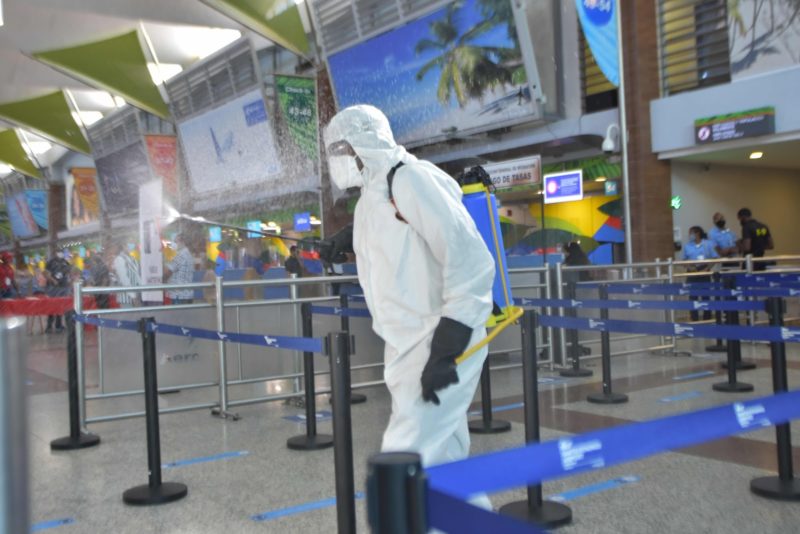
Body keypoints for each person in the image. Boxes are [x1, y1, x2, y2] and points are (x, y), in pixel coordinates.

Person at [322, 106, 495, 494]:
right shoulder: (372, 194)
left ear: (365, 141)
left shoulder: (411, 179)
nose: (336, 158)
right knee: (443, 466)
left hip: (438, 340)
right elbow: (388, 235)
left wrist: (448, 344)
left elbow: (470, 260)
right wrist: (343, 242)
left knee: (403, 461)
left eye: (340, 147)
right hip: (404, 345)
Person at [682, 226, 718, 321]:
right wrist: (689, 267)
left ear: (697, 233)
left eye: (691, 233)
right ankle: (694, 319)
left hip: (704, 272)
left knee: (705, 296)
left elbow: (715, 258)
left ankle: (707, 319)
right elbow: (683, 260)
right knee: (693, 297)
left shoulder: (708, 244)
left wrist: (707, 268)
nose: (689, 235)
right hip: (692, 273)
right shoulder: (687, 246)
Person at [44, 250, 72, 333]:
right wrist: (52, 280)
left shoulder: (65, 262)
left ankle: (58, 325)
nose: (60, 254)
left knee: (61, 306)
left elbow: (69, 272)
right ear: (55, 253)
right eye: (59, 252)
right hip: (53, 287)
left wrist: (70, 282)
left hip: (64, 287)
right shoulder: (51, 262)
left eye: (61, 253)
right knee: (52, 306)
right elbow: (45, 273)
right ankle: (49, 326)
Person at [164, 233, 194, 305]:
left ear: (183, 242)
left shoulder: (181, 255)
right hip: (185, 294)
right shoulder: (187, 254)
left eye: (176, 241)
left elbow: (168, 271)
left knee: (177, 315)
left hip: (179, 295)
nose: (174, 244)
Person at [110, 243, 141, 307]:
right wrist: (133, 296)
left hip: (136, 295)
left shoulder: (133, 259)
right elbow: (124, 279)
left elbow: (137, 276)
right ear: (124, 246)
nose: (131, 247)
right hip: (126, 297)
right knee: (129, 315)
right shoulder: (119, 259)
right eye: (129, 244)